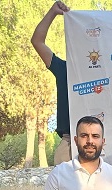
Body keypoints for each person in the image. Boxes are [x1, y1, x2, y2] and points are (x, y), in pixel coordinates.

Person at [31, 1, 72, 165]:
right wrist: (53, 12)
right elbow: (37, 42)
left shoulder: (105, 73)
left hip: (99, 143)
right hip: (69, 144)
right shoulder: (63, 69)